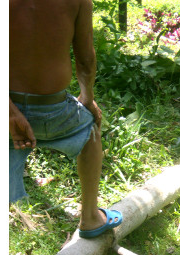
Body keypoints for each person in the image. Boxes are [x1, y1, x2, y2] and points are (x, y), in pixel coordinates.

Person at [10, 0, 122, 238]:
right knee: (90, 125)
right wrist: (87, 98)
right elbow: (86, 60)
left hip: (7, 113)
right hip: (54, 111)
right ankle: (91, 217)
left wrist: (10, 112)